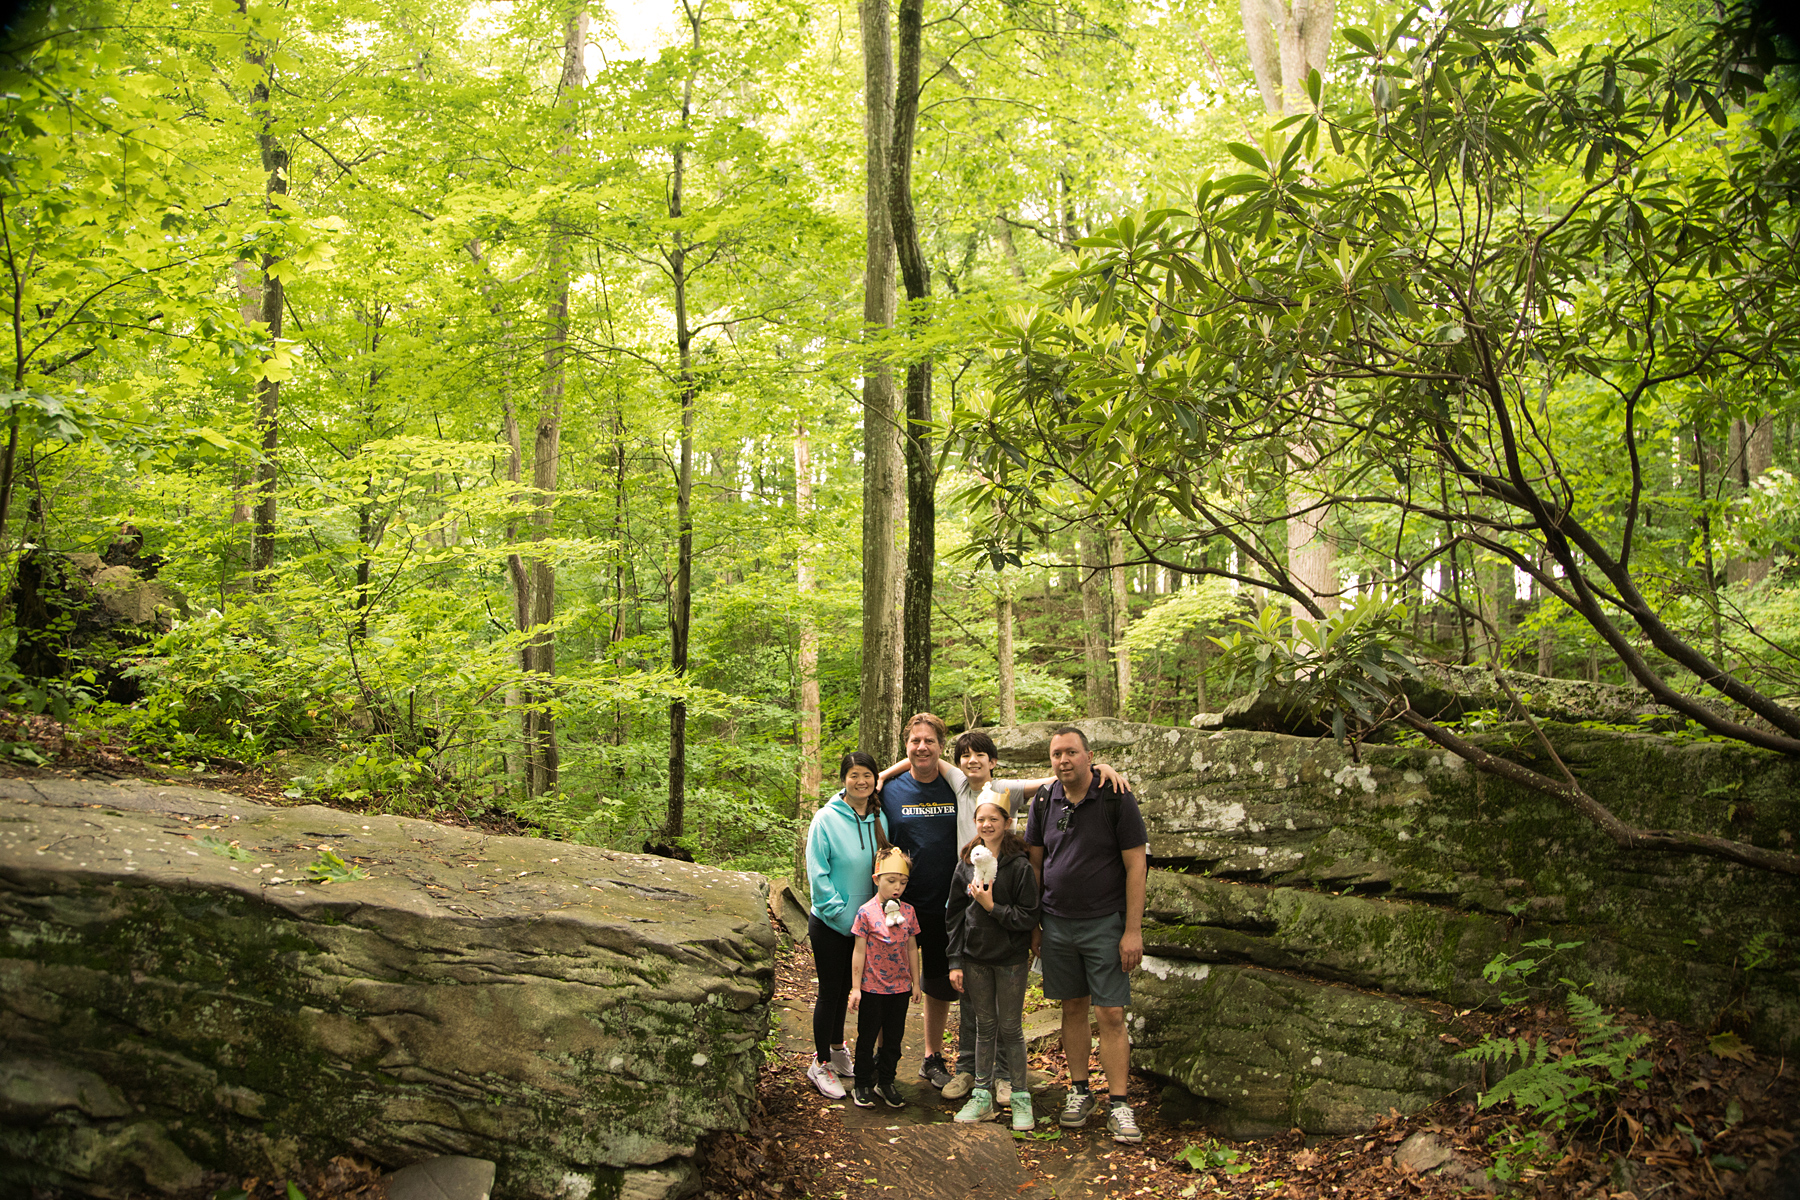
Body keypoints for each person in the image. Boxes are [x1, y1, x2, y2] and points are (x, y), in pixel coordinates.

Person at [881, 727, 1128, 1102]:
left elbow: (1053, 779)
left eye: (980, 755)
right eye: (966, 756)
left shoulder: (1007, 791)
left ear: (994, 762)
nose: (972, 761)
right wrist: (883, 775)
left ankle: (1003, 1074)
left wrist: (1099, 769)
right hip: (968, 902)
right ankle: (969, 1070)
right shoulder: (959, 782)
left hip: (1006, 908)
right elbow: (921, 755)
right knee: (971, 1001)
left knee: (1005, 1010)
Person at [1025, 725, 1149, 1144]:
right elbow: (1036, 865)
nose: (1063, 760)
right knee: (1072, 1007)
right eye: (1056, 754)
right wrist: (1035, 924)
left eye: (1071, 752)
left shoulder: (1115, 796)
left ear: (1089, 756)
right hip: (1057, 923)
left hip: (1105, 923)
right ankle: (1079, 1092)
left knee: (1110, 1013)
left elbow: (1136, 865)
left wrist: (1132, 930)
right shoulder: (1045, 800)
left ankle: (1119, 1102)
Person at [874, 712, 965, 1090]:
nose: (922, 747)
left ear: (941, 746)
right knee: (888, 981)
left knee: (939, 983)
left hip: (948, 904)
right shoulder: (889, 790)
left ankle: (931, 1056)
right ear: (906, 745)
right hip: (900, 906)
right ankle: (882, 1057)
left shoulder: (957, 786)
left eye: (929, 741)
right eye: (915, 741)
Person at [946, 790, 1040, 1134]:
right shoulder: (966, 862)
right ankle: (982, 1095)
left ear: (1007, 822)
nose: (987, 825)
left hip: (1010, 958)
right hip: (975, 957)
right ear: (975, 822)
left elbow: (1028, 915)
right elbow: (955, 916)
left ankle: (1020, 1096)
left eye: (994, 819)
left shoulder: (1019, 866)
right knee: (984, 1026)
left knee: (1010, 1028)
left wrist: (991, 907)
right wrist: (955, 960)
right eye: (981, 819)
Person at [802, 751, 888, 1099]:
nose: (861, 781)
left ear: (875, 780)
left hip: (866, 927)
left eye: (867, 774)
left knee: (847, 992)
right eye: (854, 775)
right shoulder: (825, 819)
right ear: (843, 780)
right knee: (830, 992)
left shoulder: (880, 817)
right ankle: (820, 1063)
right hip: (831, 923)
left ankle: (837, 1051)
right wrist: (840, 914)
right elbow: (818, 873)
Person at [849, 846, 923, 1109]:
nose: (897, 887)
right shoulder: (866, 912)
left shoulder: (909, 912)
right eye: (891, 881)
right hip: (872, 988)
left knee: (894, 1038)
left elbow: (912, 948)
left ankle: (886, 1080)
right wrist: (855, 988)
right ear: (876, 879)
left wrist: (916, 982)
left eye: (902, 882)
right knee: (867, 1036)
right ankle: (861, 1082)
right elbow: (859, 951)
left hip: (900, 988)